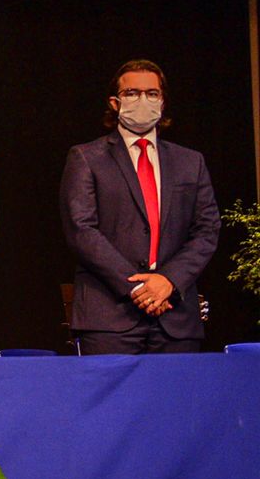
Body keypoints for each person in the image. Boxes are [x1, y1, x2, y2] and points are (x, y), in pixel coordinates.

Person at [60, 60, 220, 354]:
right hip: (109, 316)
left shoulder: (190, 162)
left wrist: (169, 280)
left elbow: (207, 230)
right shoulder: (86, 157)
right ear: (115, 102)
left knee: (177, 388)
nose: (142, 100)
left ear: (163, 101)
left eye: (152, 93)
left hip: (175, 316)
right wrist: (137, 288)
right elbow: (81, 230)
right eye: (132, 93)